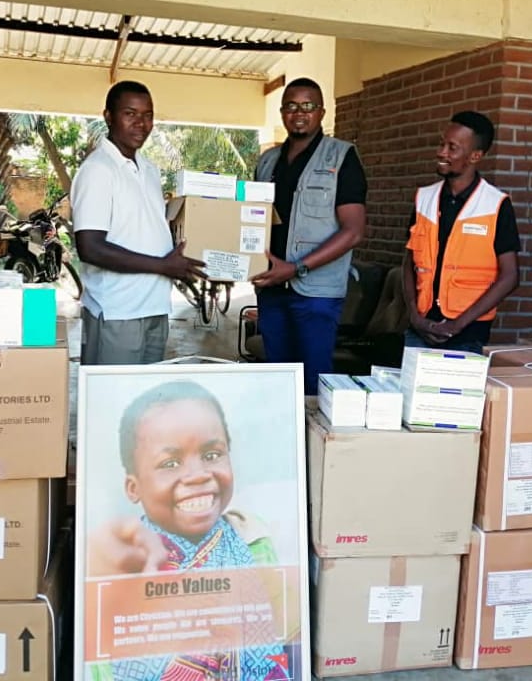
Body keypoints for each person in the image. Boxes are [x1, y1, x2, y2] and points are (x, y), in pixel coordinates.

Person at [87, 380, 288, 681]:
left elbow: (277, 637)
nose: (197, 476)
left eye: (211, 455)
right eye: (170, 462)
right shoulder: (122, 564)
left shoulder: (254, 542)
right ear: (133, 487)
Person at [71, 81, 204, 365]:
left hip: (154, 307)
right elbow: (90, 248)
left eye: (148, 115)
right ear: (108, 116)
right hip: (119, 312)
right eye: (130, 114)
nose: (141, 123)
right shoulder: (98, 170)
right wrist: (162, 266)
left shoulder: (149, 169)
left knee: (142, 404)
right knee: (112, 402)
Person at [250, 78, 367, 393]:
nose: (298, 113)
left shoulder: (341, 158)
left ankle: (315, 443)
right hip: (272, 288)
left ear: (321, 112)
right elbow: (251, 219)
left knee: (314, 383)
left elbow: (353, 231)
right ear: (282, 112)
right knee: (278, 378)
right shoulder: (267, 162)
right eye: (290, 106)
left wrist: (297, 267)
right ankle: (286, 440)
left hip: (316, 294)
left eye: (308, 106)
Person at [403, 111, 521, 354]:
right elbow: (409, 263)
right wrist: (414, 315)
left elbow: (510, 276)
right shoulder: (424, 198)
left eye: (452, 148)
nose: (441, 153)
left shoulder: (496, 205)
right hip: (419, 328)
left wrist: (457, 325)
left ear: (475, 156)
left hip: (468, 333)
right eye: (441, 144)